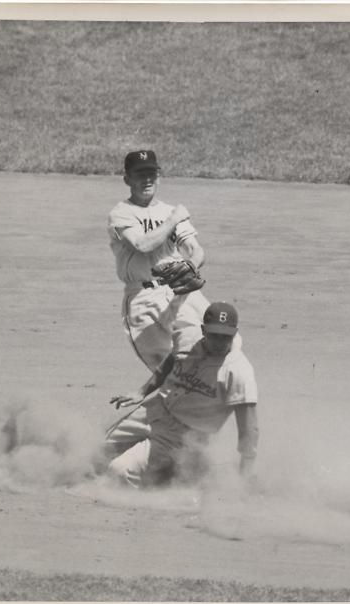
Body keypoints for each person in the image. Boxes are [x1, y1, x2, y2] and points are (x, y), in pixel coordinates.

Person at [104, 302, 258, 489]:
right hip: (153, 410)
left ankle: (166, 483)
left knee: (119, 472)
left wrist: (244, 477)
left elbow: (249, 429)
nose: (219, 342)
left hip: (182, 436)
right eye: (214, 335)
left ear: (235, 333)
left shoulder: (239, 372)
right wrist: (142, 392)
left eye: (225, 337)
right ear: (203, 330)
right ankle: (174, 470)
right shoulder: (187, 336)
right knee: (96, 452)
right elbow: (171, 360)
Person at [107, 150, 209, 372]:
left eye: (151, 174)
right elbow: (143, 245)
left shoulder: (169, 210)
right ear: (127, 179)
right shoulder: (121, 214)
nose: (147, 180)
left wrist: (191, 264)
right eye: (140, 174)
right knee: (171, 375)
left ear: (158, 177)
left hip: (180, 292)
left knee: (221, 345)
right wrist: (173, 220)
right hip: (144, 300)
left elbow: (196, 250)